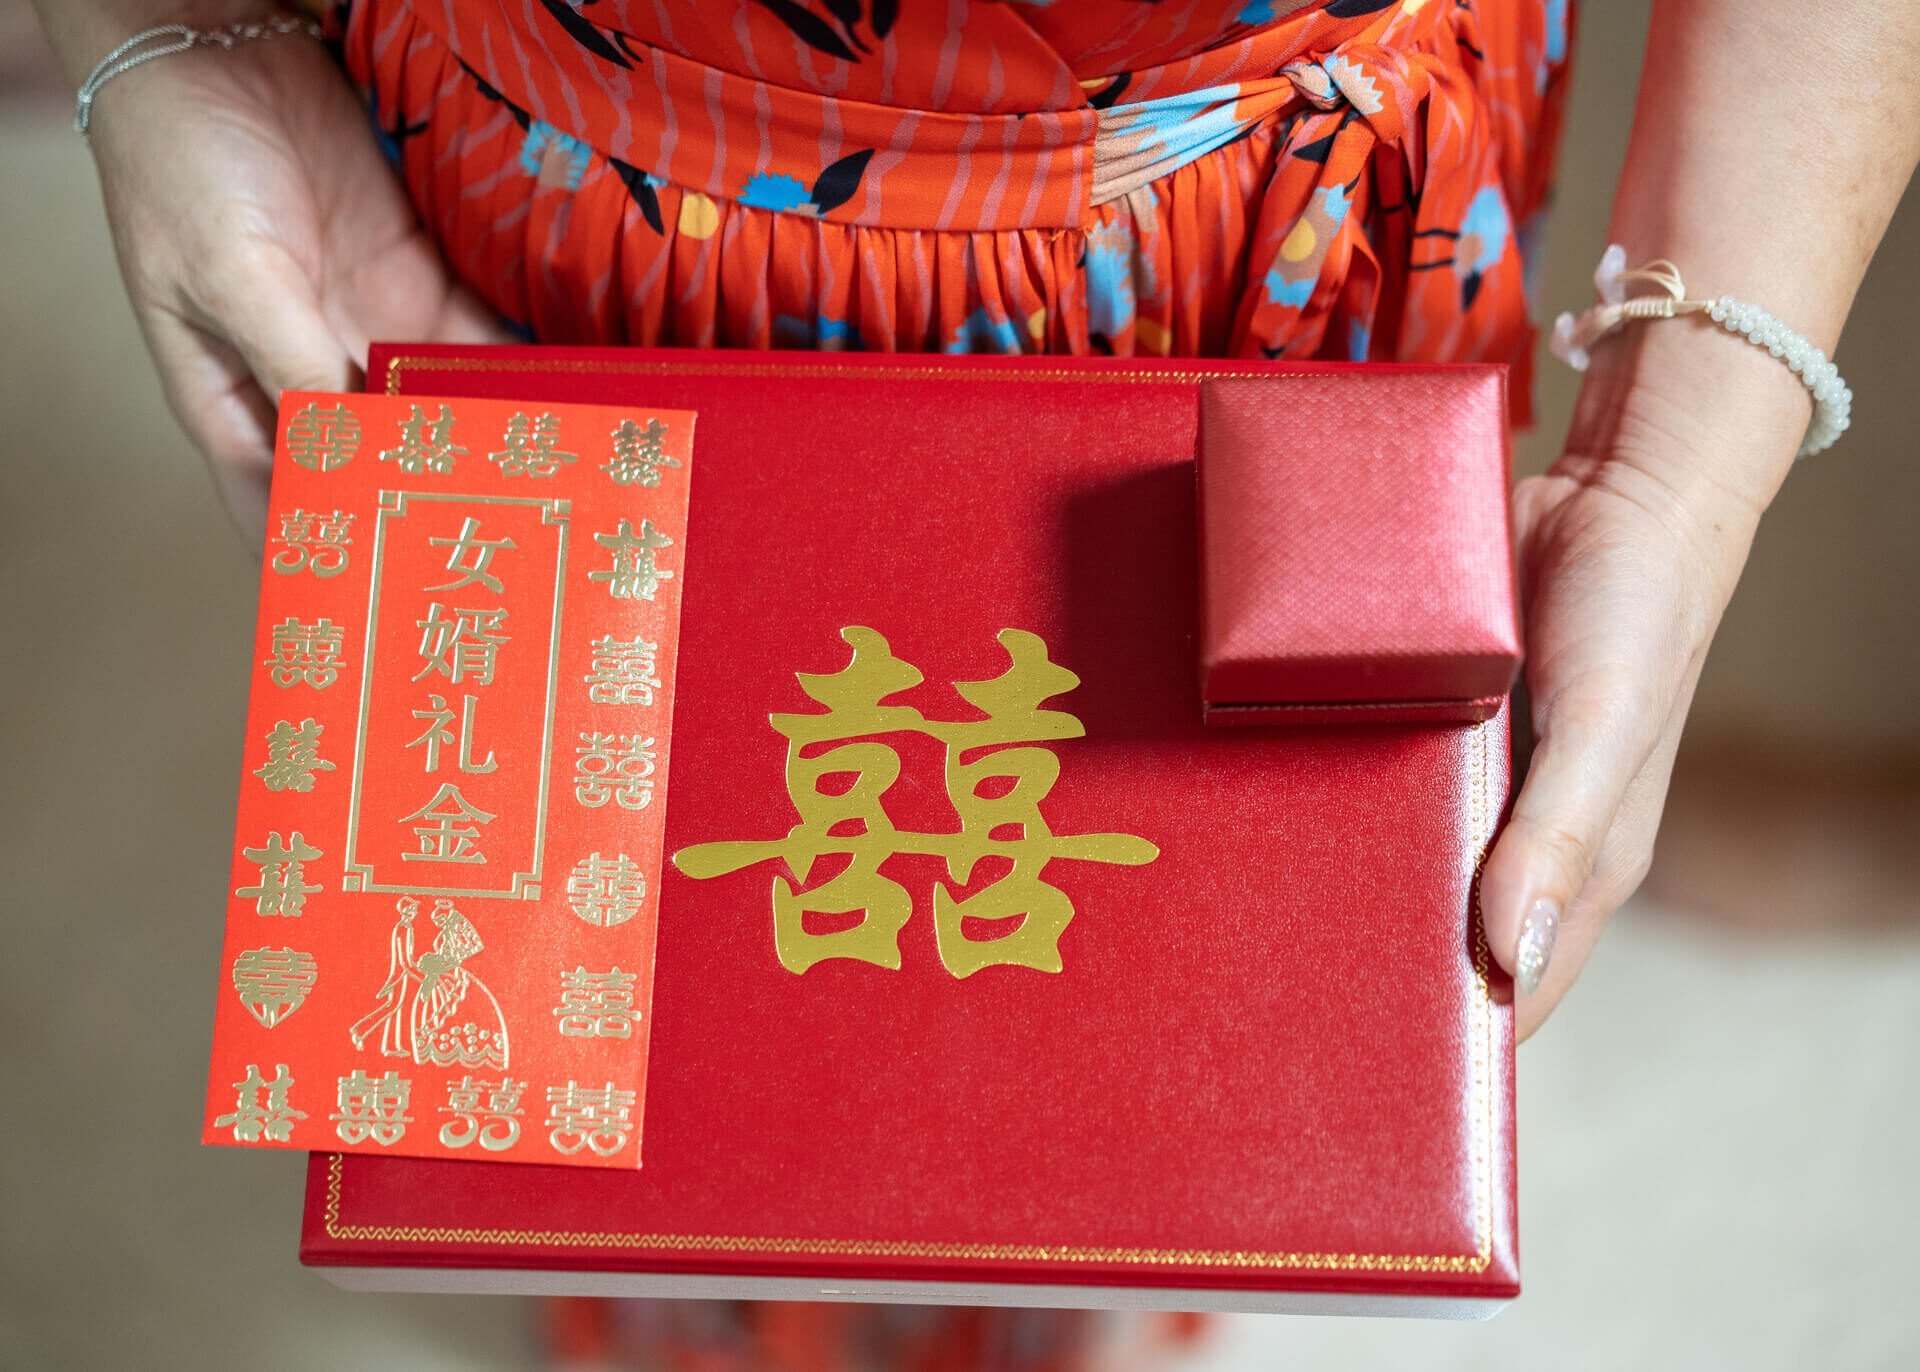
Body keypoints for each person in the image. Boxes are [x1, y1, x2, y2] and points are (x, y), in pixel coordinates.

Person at [28, 0, 1920, 1364]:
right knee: (618, 1017)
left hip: (1275, 220)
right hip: (531, 183)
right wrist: (149, 35)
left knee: (1168, 1043)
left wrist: (1681, 451)